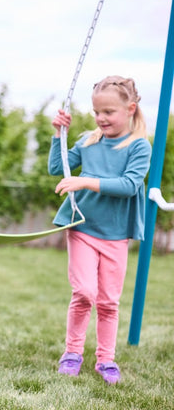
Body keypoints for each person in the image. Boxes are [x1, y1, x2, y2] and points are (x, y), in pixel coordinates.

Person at [48, 75, 152, 384]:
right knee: (83, 293)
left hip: (116, 234)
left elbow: (129, 185)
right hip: (83, 226)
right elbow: (58, 168)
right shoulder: (88, 141)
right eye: (97, 112)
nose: (101, 118)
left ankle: (106, 359)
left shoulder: (138, 147)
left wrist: (84, 181)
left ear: (130, 109)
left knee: (108, 301)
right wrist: (59, 136)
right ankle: (72, 352)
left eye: (109, 112)